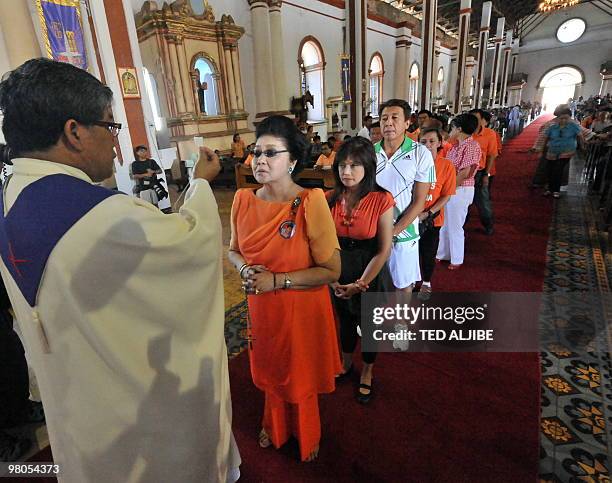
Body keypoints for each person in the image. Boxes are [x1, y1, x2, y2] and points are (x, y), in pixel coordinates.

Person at [0, 58, 240, 482]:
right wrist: (200, 184)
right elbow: (192, 243)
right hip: (133, 436)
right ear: (74, 131)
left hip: (75, 406)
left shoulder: (9, 194)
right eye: (110, 127)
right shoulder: (103, 218)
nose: (115, 144)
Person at [228, 115, 341, 462]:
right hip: (262, 307)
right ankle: (274, 425)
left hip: (301, 306)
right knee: (271, 368)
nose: (259, 160)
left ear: (292, 160)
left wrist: (277, 280)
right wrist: (245, 267)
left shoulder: (311, 201)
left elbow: (332, 270)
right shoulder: (242, 200)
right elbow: (232, 250)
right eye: (256, 152)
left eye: (270, 153)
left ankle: (307, 434)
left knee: (300, 373)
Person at [326, 137, 394, 404]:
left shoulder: (382, 199)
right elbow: (321, 244)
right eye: (342, 165)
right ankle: (345, 363)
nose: (347, 172)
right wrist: (332, 278)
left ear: (368, 167)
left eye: (354, 165)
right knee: (344, 320)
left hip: (369, 271)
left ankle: (367, 369)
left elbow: (383, 249)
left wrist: (361, 282)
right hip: (338, 269)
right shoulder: (329, 198)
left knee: (369, 324)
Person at [375, 99, 436, 291]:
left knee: (403, 283)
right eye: (384, 118)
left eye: (395, 118)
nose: (388, 123)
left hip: (404, 231)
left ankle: (401, 321)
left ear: (408, 123)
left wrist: (392, 231)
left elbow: (419, 202)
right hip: (373, 229)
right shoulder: (369, 152)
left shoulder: (421, 154)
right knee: (375, 282)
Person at [436, 114, 481, 269]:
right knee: (445, 223)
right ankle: (443, 253)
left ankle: (457, 258)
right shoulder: (456, 146)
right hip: (451, 188)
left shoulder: (471, 146)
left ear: (459, 128)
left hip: (461, 189)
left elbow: (464, 173)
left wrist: (448, 189)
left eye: (453, 127)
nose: (451, 131)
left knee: (455, 225)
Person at [417, 128, 456, 297]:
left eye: (432, 141)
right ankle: (409, 281)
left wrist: (428, 213)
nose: (427, 145)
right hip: (409, 218)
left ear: (440, 143)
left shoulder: (446, 166)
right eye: (423, 142)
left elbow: (446, 195)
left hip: (432, 219)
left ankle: (426, 282)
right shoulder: (412, 164)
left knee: (428, 252)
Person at [543, 106, 583, 198]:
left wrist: (583, 146)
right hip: (552, 151)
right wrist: (540, 150)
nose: (564, 120)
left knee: (558, 169)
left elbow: (581, 135)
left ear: (569, 118)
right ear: (558, 118)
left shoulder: (574, 125)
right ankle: (549, 188)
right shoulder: (552, 126)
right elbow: (545, 137)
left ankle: (556, 190)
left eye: (566, 118)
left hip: (567, 151)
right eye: (561, 118)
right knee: (550, 170)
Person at [469, 109, 498, 235]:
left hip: (480, 172)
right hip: (464, 173)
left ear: (482, 120)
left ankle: (488, 225)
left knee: (482, 201)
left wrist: (486, 174)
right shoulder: (465, 132)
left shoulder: (489, 134)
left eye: (477, 118)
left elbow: (492, 155)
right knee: (463, 201)